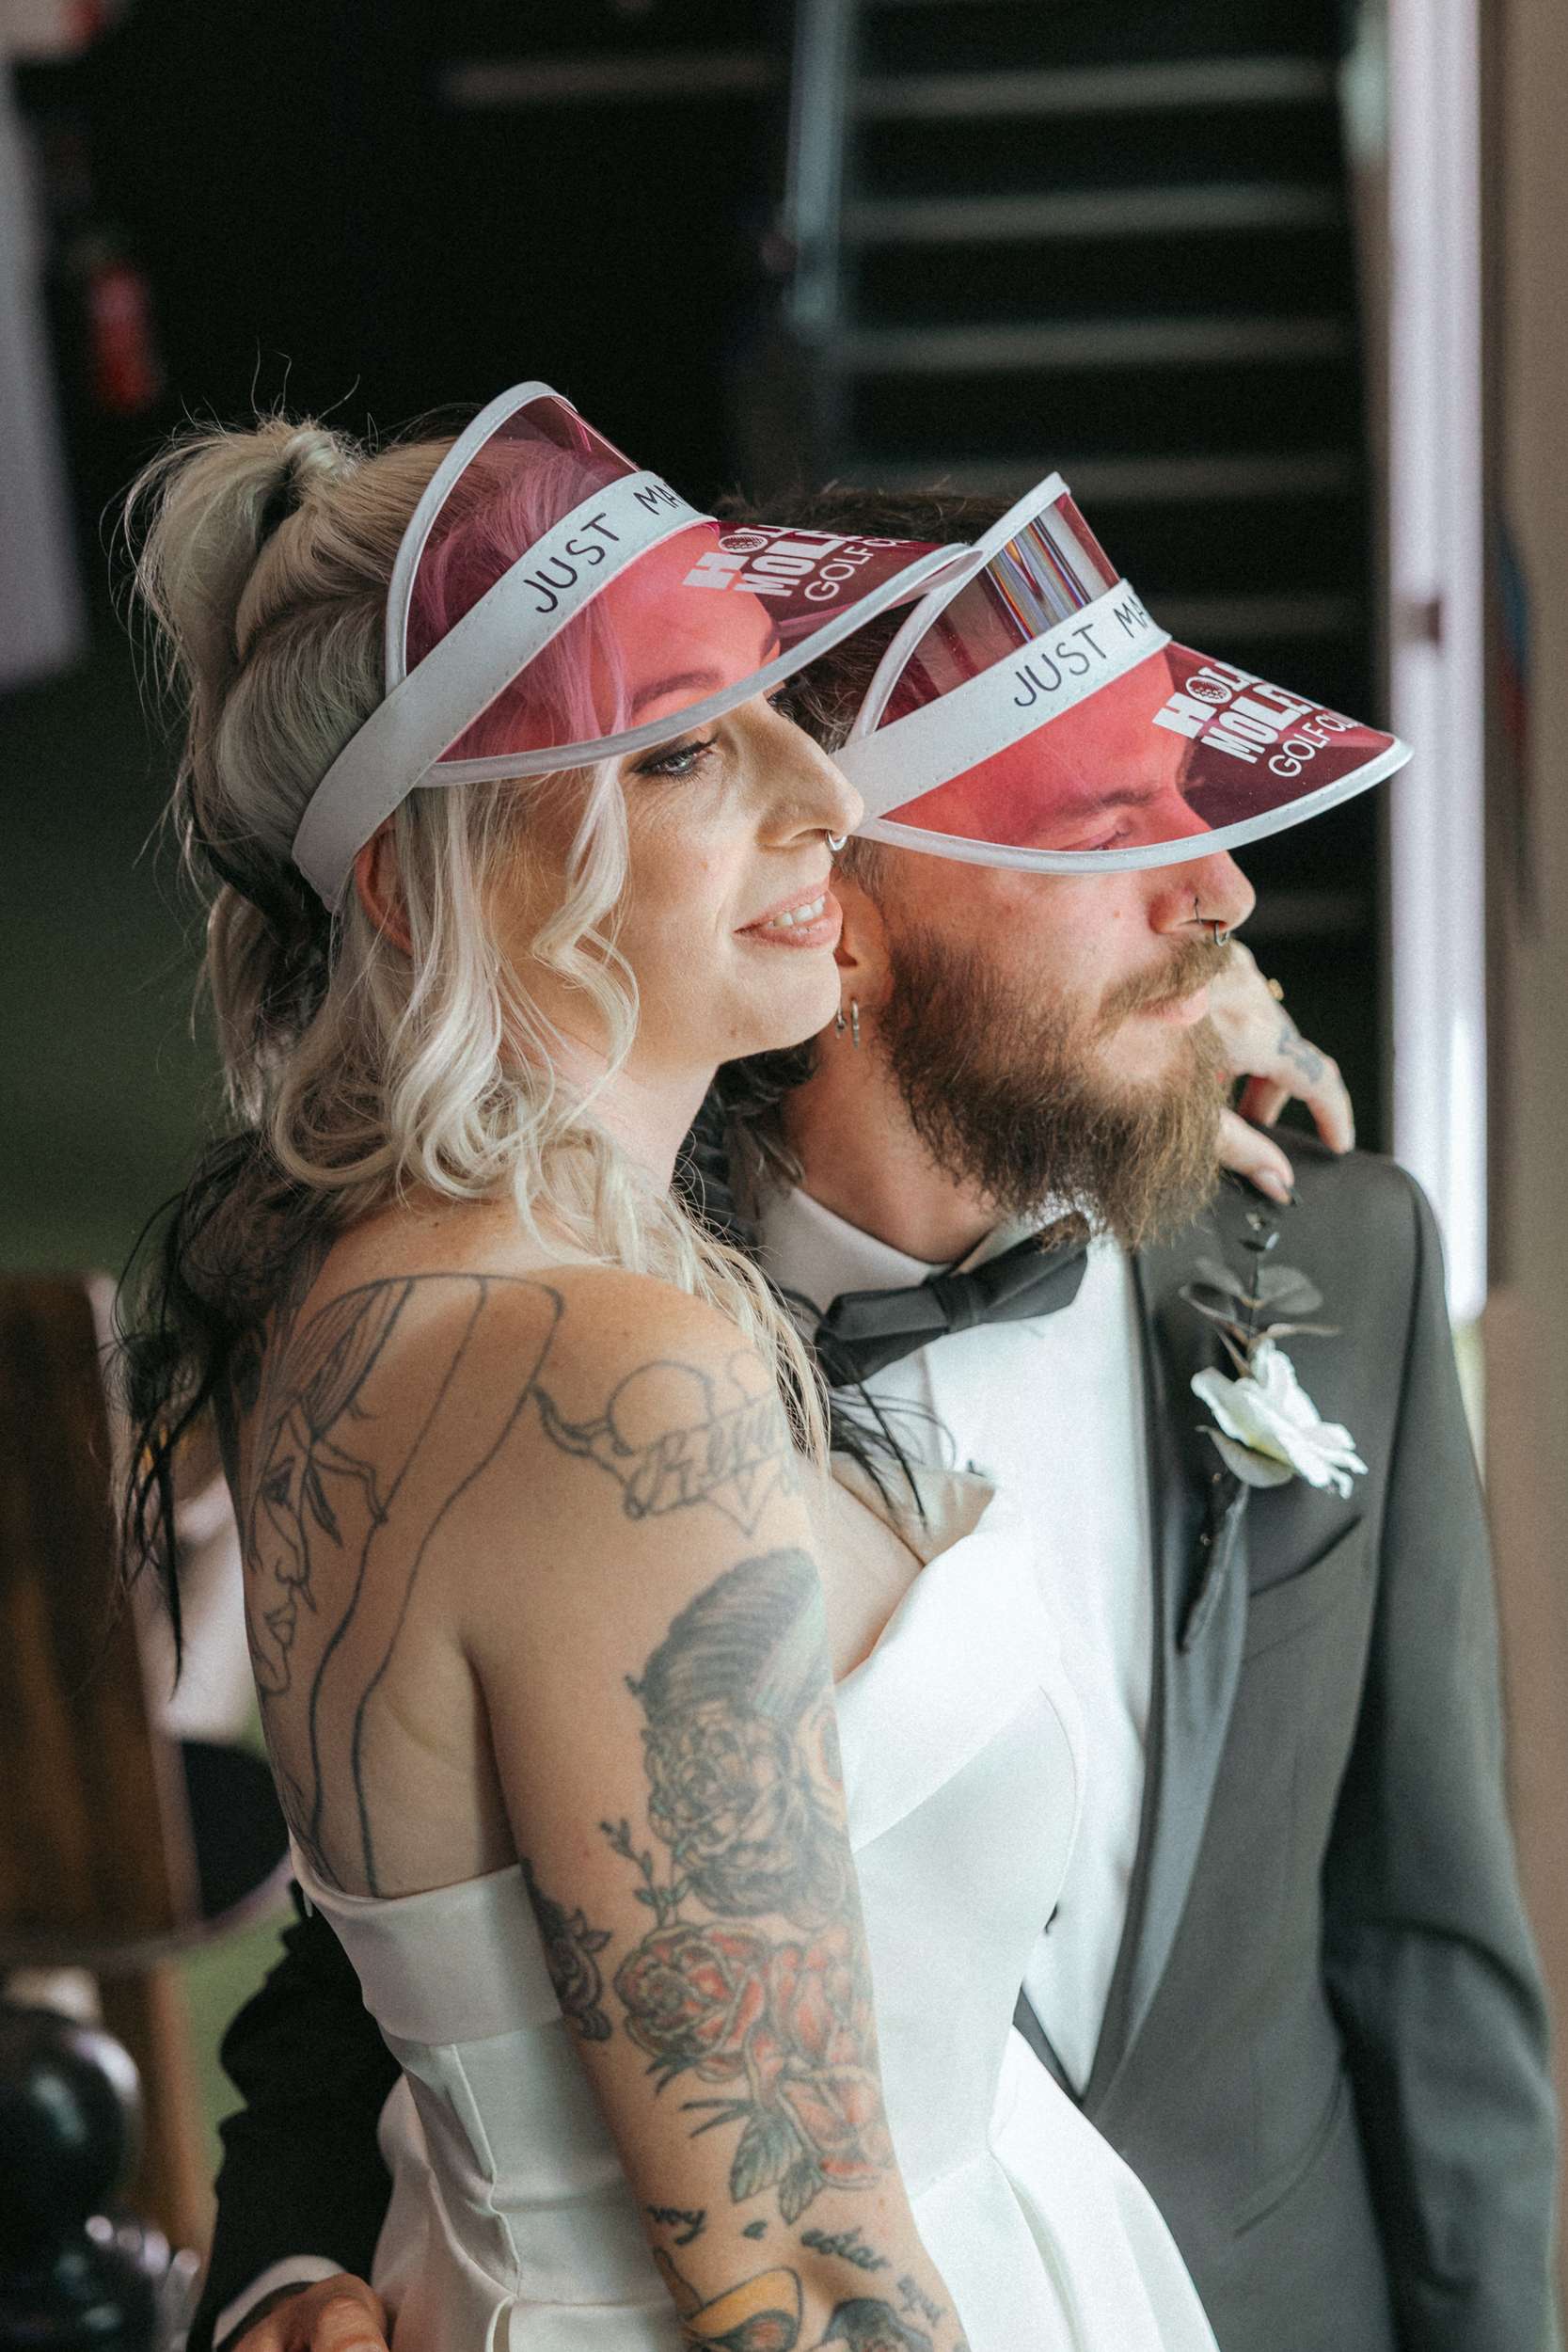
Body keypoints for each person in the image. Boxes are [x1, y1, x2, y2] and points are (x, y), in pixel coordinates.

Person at [191, 475, 1557, 2352]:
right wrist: (284, 2270)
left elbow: (1436, 1948)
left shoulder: (1331, 1255)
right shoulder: (602, 1368)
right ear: (842, 926)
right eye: (1097, 828)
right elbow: (396, 1962)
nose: (1224, 892)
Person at [120, 389, 1230, 2352]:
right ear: (424, 882)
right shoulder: (601, 1371)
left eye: (781, 706)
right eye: (686, 748)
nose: (828, 798)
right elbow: (799, 2276)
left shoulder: (368, 1289)